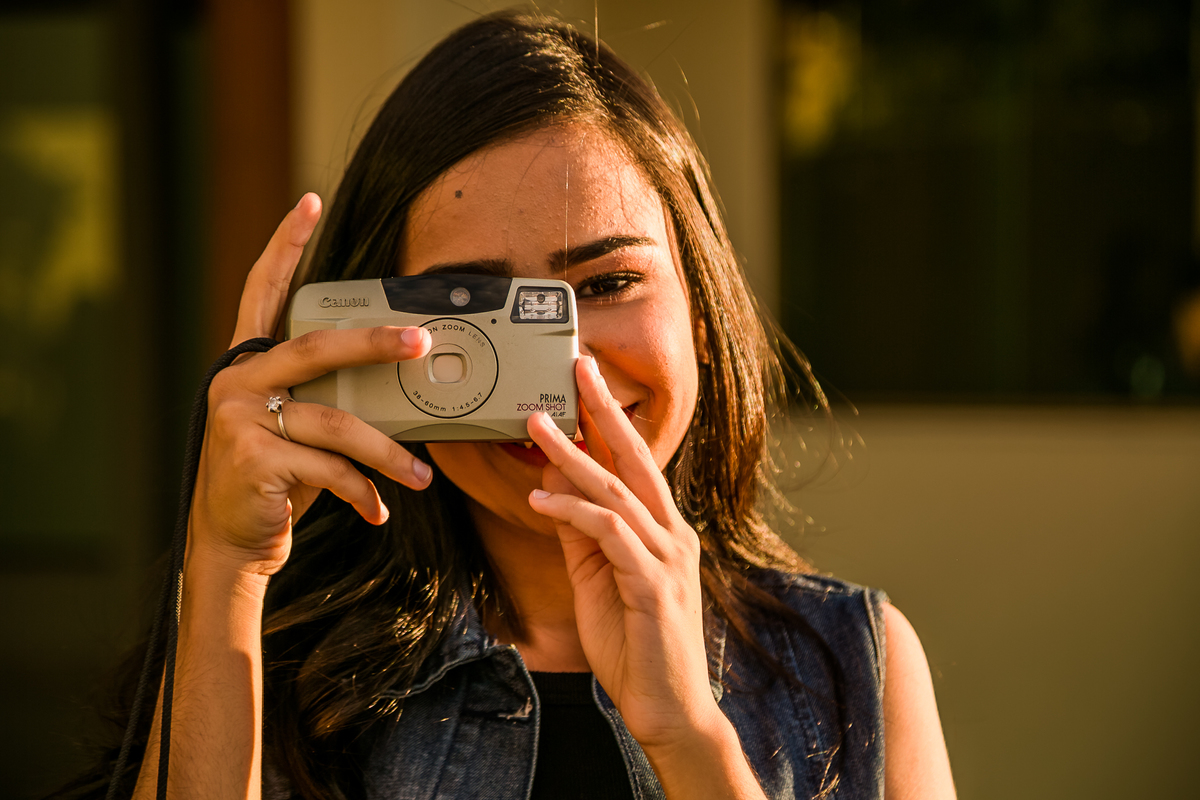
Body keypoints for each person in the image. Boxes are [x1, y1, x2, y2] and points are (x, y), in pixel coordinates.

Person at [64, 11, 954, 800]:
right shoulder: (288, 665)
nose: (559, 371)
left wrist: (691, 740)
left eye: (605, 282)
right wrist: (225, 573)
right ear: (377, 343)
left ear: (702, 308)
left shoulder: (854, 665)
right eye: (474, 311)